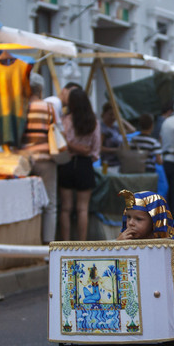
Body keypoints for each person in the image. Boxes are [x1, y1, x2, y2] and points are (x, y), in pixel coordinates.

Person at [59, 89, 101, 241]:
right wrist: (85, 151)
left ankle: (65, 243)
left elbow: (62, 144)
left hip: (66, 164)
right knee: (83, 208)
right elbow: (95, 150)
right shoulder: (93, 122)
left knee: (65, 208)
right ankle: (82, 243)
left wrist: (71, 146)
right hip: (85, 165)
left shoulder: (66, 120)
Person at [22, 72, 58, 243]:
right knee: (50, 204)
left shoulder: (21, 107)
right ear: (41, 89)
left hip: (23, 161)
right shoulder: (49, 107)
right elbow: (56, 133)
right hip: (46, 160)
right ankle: (47, 245)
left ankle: (30, 240)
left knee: (28, 202)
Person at [100, 101, 136, 170]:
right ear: (104, 114)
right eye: (110, 114)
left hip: (118, 163)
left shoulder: (115, 128)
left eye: (115, 115)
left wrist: (120, 119)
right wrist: (115, 150)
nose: (113, 117)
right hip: (106, 164)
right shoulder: (102, 129)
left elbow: (132, 130)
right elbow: (99, 148)